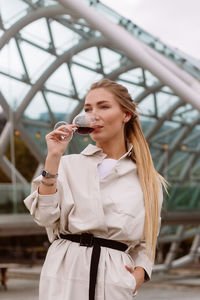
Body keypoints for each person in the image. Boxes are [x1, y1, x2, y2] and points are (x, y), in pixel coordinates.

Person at [24, 78, 166, 300]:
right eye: (88, 109)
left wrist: (137, 276)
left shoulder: (148, 180)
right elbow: (43, 217)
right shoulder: (67, 164)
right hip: (64, 273)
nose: (93, 115)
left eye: (104, 106)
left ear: (126, 115)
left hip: (114, 280)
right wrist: (53, 157)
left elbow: (147, 242)